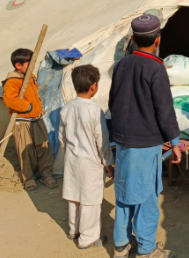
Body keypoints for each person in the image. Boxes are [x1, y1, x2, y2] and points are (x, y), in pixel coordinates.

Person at [109, 14, 182, 258]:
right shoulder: (155, 68)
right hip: (145, 142)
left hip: (123, 140)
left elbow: (113, 101)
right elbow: (164, 109)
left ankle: (120, 244)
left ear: (133, 39)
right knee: (147, 197)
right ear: (158, 40)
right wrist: (175, 142)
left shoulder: (121, 65)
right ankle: (147, 249)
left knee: (125, 191)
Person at [59, 65, 114, 249]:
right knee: (90, 201)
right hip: (90, 163)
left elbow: (62, 138)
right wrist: (108, 163)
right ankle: (87, 239)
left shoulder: (66, 109)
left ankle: (73, 231)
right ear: (93, 86)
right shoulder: (95, 111)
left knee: (74, 196)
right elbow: (102, 142)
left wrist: (68, 156)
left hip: (72, 160)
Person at [2, 48, 57, 191]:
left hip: (36, 118)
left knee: (43, 146)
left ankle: (46, 174)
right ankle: (28, 177)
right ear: (18, 66)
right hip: (22, 120)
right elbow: (11, 100)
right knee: (25, 150)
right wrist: (29, 107)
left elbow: (35, 95)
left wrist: (38, 108)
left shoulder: (31, 77)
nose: (33, 66)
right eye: (29, 63)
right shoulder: (12, 81)